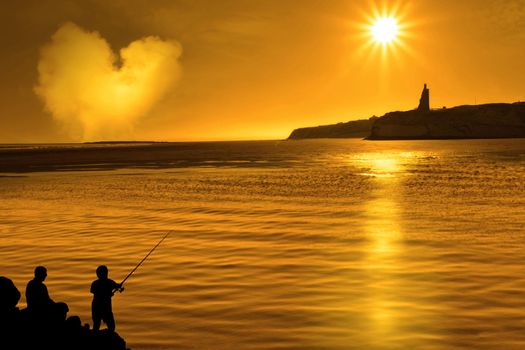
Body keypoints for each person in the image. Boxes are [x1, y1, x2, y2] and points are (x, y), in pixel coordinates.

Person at [90, 265, 122, 332]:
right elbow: (117, 286)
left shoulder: (95, 283)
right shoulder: (109, 282)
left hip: (96, 306)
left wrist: (111, 292)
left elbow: (93, 291)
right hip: (105, 307)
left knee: (96, 325)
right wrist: (108, 294)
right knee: (111, 326)